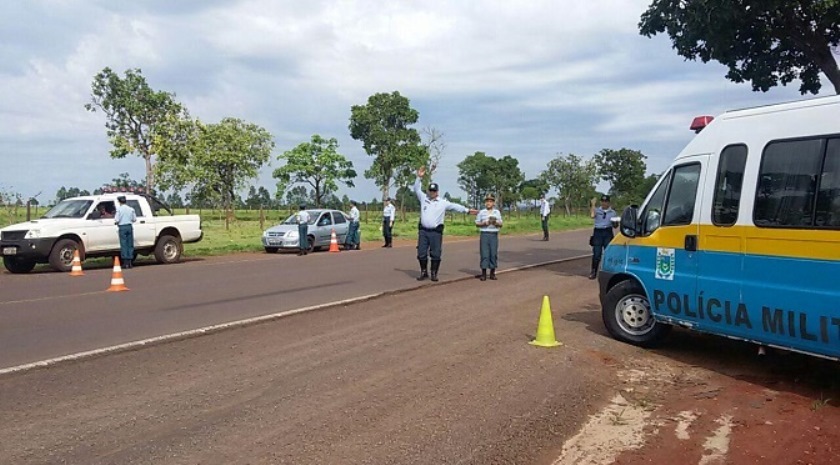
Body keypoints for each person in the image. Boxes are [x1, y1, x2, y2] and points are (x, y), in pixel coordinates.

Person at [414, 166, 478, 282]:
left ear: (437, 192)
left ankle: (434, 273)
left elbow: (455, 206)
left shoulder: (443, 203)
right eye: (430, 191)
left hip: (435, 232)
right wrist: (419, 177)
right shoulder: (424, 198)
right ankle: (424, 272)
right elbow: (416, 189)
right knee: (421, 253)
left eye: (434, 191)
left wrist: (467, 210)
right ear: (428, 191)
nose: (432, 193)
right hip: (423, 231)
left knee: (436, 253)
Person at [475, 193, 503, 281]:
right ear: (485, 203)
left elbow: (501, 224)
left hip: (493, 234)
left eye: (491, 201)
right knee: (484, 254)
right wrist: (484, 223)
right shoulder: (481, 212)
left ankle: (492, 273)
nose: (489, 203)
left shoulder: (497, 212)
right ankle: (483, 273)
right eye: (487, 201)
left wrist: (496, 223)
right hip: (484, 234)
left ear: (493, 203)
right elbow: (477, 223)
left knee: (493, 254)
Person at [589, 194, 618, 279]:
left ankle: (608, 272)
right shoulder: (597, 210)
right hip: (598, 232)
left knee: (609, 253)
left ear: (609, 203)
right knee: (596, 253)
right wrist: (593, 204)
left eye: (606, 201)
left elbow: (615, 226)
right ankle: (593, 271)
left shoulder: (612, 212)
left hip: (607, 232)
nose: (604, 203)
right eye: (602, 201)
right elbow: (592, 215)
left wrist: (615, 223)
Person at [114, 196, 137, 268]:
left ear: (119, 202)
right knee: (130, 244)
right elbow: (134, 219)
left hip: (122, 227)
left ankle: (125, 262)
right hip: (129, 226)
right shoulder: (131, 209)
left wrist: (117, 223)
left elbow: (116, 220)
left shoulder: (119, 210)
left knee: (124, 244)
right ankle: (130, 262)